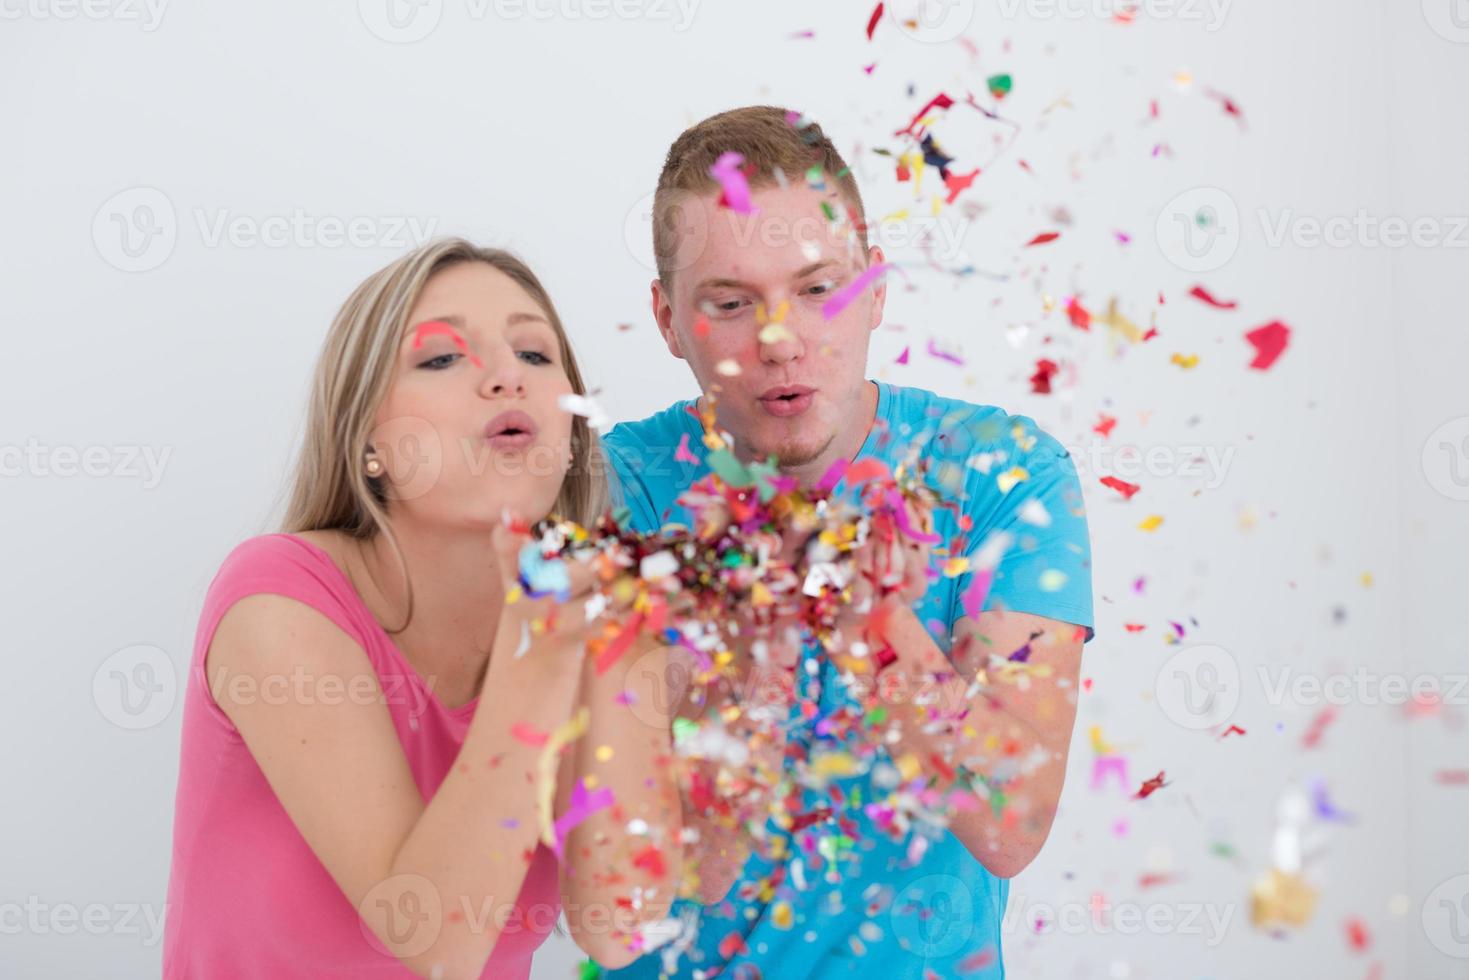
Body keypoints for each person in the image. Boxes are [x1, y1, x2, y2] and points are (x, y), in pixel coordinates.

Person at [601, 106, 1096, 978]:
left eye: (818, 289)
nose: (780, 339)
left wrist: (875, 621)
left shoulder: (1001, 476)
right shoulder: (613, 496)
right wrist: (765, 634)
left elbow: (1010, 826)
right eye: (729, 302)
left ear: (873, 289)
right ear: (669, 320)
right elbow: (675, 872)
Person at [162, 238, 680, 979]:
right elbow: (430, 938)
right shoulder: (277, 598)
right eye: (441, 359)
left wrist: (615, 661)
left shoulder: (599, 609)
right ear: (367, 439)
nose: (507, 377)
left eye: (535, 354)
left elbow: (617, 922)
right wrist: (538, 669)